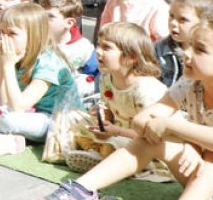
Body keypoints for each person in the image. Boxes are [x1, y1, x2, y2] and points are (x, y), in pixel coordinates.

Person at [44, 19, 213, 200]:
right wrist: (189, 143)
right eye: (189, 46)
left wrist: (173, 126)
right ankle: (80, 190)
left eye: (199, 50)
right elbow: (142, 121)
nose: (186, 53)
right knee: (151, 138)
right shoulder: (191, 83)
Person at [0, 3, 78, 154]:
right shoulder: (16, 55)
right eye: (1, 32)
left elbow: (18, 108)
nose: (4, 38)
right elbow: (0, 99)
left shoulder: (49, 63)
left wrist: (8, 65)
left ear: (34, 35)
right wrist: (2, 63)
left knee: (8, 120)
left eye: (12, 33)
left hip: (55, 121)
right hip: (26, 113)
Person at [66, 22, 168, 173]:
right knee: (74, 120)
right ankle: (95, 153)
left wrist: (117, 131)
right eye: (98, 45)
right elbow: (108, 111)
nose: (98, 51)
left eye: (106, 48)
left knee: (116, 144)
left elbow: (152, 134)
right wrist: (101, 120)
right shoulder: (106, 78)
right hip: (116, 131)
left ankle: (103, 157)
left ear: (131, 57)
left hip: (144, 142)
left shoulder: (146, 89)